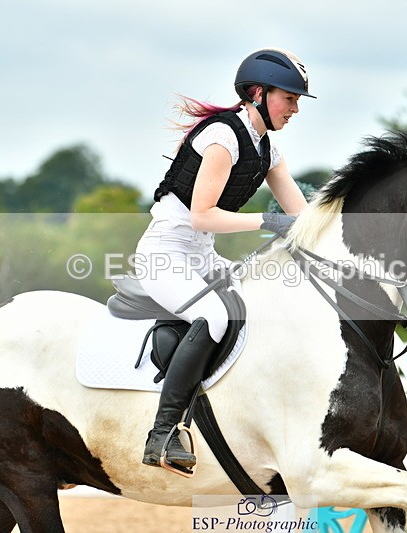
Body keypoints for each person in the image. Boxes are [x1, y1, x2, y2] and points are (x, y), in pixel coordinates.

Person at [135, 48, 315, 470]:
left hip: (202, 256)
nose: (295, 109)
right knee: (214, 317)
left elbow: (303, 218)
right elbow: (201, 216)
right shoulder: (222, 137)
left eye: (296, 101)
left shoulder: (267, 150)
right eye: (289, 98)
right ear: (258, 94)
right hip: (165, 253)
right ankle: (163, 433)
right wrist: (268, 221)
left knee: (265, 303)